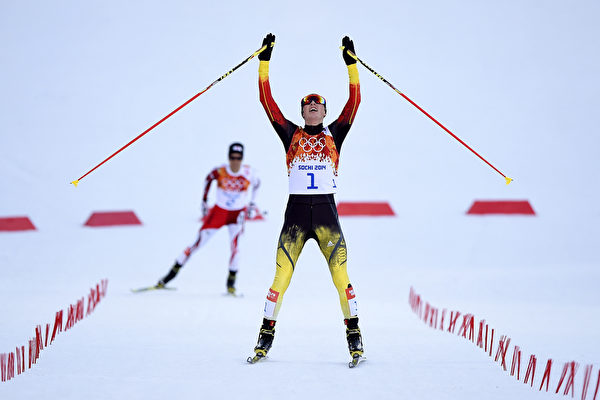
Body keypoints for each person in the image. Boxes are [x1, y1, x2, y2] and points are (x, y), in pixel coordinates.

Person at [248, 33, 364, 364]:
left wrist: (351, 66)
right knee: (280, 279)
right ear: (302, 111)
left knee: (341, 278)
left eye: (318, 103)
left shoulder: (335, 133)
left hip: (326, 215)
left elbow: (354, 102)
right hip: (296, 217)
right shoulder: (291, 134)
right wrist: (264, 62)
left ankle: (354, 334)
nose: (312, 105)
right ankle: (265, 335)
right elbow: (267, 103)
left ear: (325, 111)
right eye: (307, 103)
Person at [157, 142, 260, 295]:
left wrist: (252, 204)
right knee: (197, 243)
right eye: (232, 157)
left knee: (235, 247)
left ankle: (231, 284)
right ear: (228, 157)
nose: (235, 161)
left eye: (238, 158)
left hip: (237, 214)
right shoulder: (220, 171)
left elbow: (257, 184)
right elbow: (208, 179)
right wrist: (204, 201)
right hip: (219, 212)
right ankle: (168, 277)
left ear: (242, 158)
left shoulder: (249, 172)